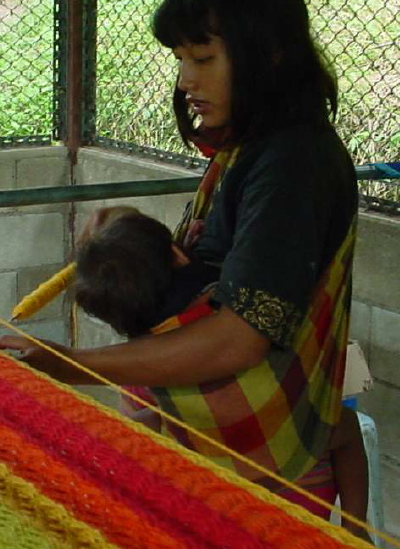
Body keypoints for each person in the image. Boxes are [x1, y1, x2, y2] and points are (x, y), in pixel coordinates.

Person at [0, 0, 367, 539]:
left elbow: (239, 338)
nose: (186, 81)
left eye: (203, 59)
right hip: (238, 464)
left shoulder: (291, 164)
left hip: (266, 480)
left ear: (270, 53)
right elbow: (214, 266)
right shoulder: (253, 149)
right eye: (180, 60)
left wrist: (74, 365)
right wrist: (130, 230)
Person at [73, 210, 370, 538]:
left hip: (216, 507)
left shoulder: (140, 365)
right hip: (291, 495)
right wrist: (354, 531)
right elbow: (344, 428)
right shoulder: (245, 316)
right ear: (177, 255)